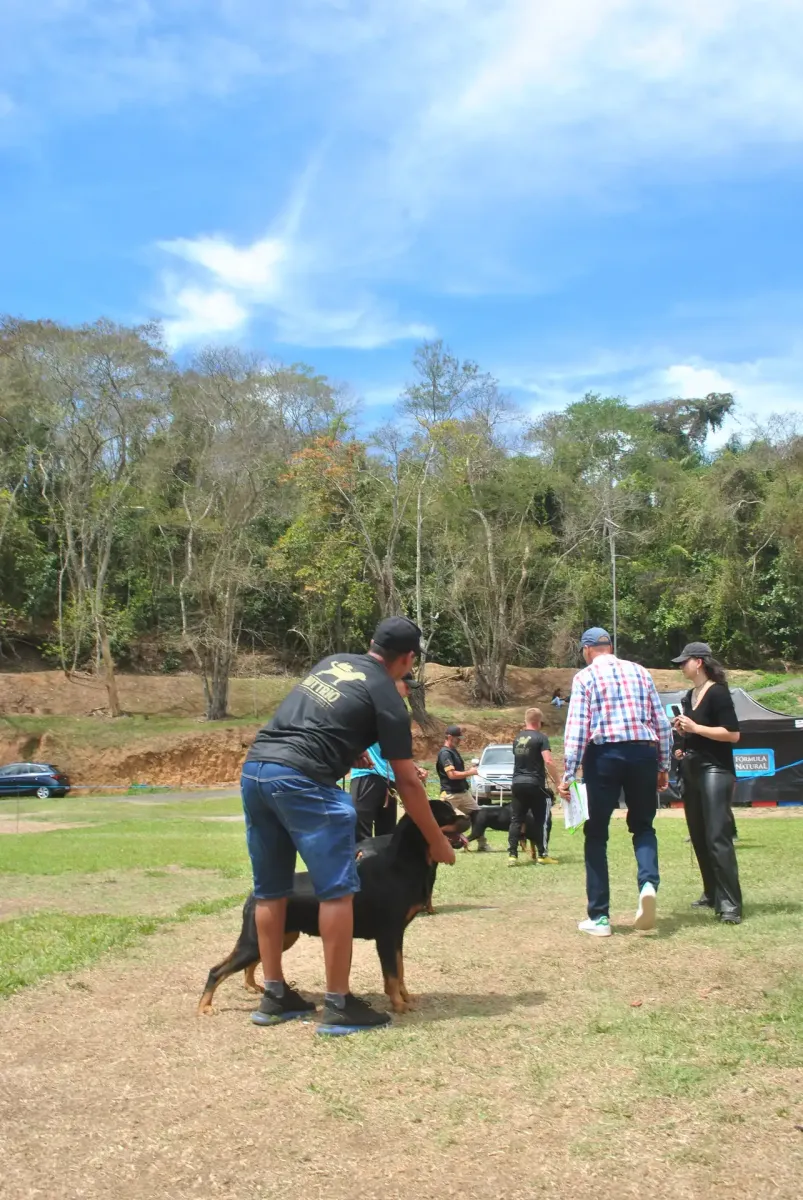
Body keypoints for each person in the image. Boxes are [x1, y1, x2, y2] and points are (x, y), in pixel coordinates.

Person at [240, 616, 456, 1035]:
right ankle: (339, 1005)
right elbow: (408, 781)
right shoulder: (389, 696)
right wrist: (437, 841)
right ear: (408, 659)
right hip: (303, 780)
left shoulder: (333, 662)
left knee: (271, 889)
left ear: (372, 644)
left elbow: (318, 720)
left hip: (258, 770)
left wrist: (347, 750)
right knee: (337, 890)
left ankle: (275, 994)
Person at [559, 627, 672, 937]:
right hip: (643, 753)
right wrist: (663, 766)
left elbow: (577, 729)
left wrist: (568, 775)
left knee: (596, 834)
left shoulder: (585, 677)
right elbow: (661, 724)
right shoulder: (640, 672)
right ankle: (648, 884)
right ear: (609, 646)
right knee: (643, 826)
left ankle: (600, 918)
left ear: (586, 650)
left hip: (604, 755)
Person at [670, 642, 742, 924]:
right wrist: (683, 735)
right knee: (699, 835)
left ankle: (731, 905)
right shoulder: (690, 695)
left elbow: (733, 734)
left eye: (684, 661)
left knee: (716, 836)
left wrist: (696, 728)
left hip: (716, 769)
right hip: (692, 768)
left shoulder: (718, 692)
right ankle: (711, 893)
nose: (681, 666)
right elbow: (694, 734)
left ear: (698, 662)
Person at [349, 674, 428, 840]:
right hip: (368, 775)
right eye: (406, 686)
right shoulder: (372, 704)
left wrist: (413, 768)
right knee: (360, 831)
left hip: (389, 781)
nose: (409, 691)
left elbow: (395, 749)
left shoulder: (398, 712)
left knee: (387, 836)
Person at [508, 707, 561, 866]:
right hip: (534, 783)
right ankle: (543, 854)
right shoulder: (541, 738)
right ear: (539, 722)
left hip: (517, 783)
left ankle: (512, 855)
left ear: (526, 721)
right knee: (542, 820)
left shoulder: (517, 738)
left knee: (516, 819)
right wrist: (558, 783)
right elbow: (548, 761)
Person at [436, 726, 486, 851]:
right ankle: (440, 845)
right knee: (443, 821)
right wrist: (470, 772)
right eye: (457, 738)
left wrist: (468, 771)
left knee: (479, 816)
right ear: (449, 737)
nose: (459, 740)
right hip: (450, 794)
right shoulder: (445, 753)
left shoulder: (454, 751)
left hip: (463, 792)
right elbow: (451, 775)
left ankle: (482, 844)